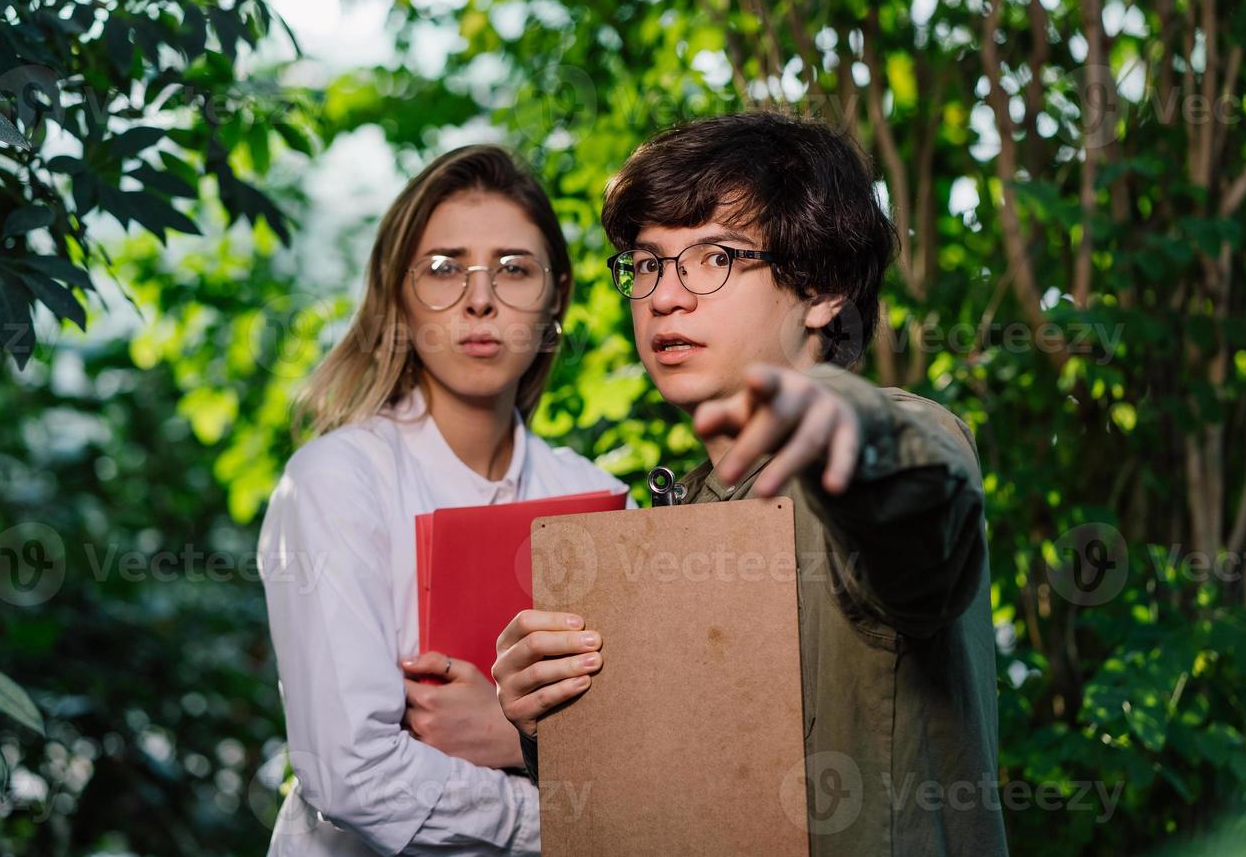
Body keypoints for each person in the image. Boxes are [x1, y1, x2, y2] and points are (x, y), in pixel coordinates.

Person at [492, 112, 1008, 856]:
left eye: (714, 258)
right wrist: (549, 724)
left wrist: (845, 419)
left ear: (824, 287)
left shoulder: (891, 436)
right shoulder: (680, 508)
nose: (666, 296)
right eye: (647, 263)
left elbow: (920, 510)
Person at [257, 145, 628, 856]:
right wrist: (572, 822)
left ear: (557, 297)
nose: (479, 299)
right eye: (443, 268)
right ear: (398, 294)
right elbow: (350, 774)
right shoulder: (334, 482)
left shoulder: (601, 502)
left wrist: (514, 736)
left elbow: (658, 755)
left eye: (514, 269)